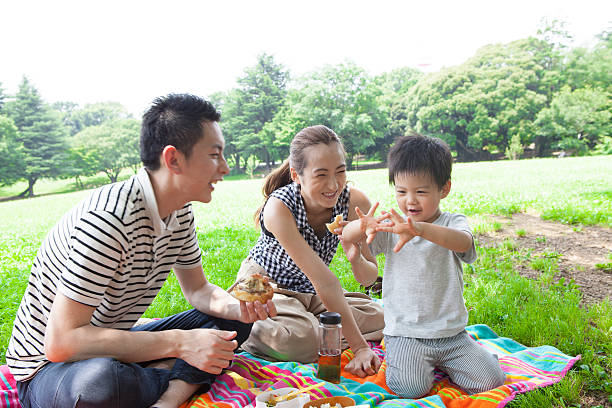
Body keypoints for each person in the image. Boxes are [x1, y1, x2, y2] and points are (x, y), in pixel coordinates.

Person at [6, 93, 277, 408]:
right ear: (173, 159)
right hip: (49, 370)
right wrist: (179, 343)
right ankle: (173, 373)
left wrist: (238, 308)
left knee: (232, 323)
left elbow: (199, 290)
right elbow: (62, 343)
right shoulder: (109, 220)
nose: (225, 168)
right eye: (214, 155)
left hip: (113, 339)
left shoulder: (180, 212)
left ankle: (167, 393)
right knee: (101, 383)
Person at [339, 134, 506, 398]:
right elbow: (350, 244)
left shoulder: (452, 222)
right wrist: (359, 229)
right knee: (410, 389)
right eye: (402, 191)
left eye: (421, 192)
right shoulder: (392, 224)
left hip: (452, 334)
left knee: (491, 381)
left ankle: (456, 362)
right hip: (407, 334)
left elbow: (464, 244)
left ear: (444, 189)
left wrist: (419, 230)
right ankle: (401, 354)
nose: (410, 201)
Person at [235, 125, 385, 376]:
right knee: (298, 341)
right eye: (321, 175)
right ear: (296, 175)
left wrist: (355, 255)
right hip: (266, 285)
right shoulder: (279, 207)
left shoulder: (356, 203)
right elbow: (326, 283)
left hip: (309, 290)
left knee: (383, 315)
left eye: (340, 171)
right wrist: (359, 347)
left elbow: (369, 278)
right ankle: (248, 325)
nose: (334, 184)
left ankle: (313, 328)